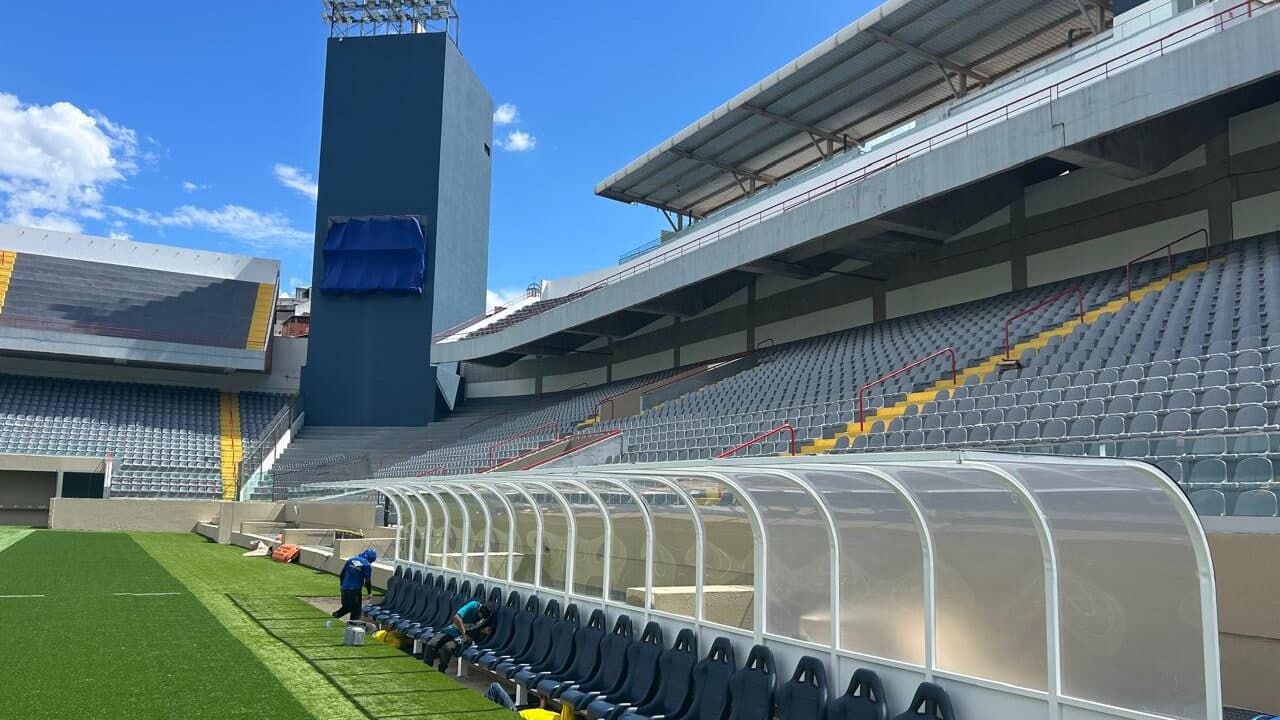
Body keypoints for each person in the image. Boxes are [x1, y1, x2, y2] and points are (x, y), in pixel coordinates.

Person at [422, 599, 494, 672]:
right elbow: (456, 617)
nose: (480, 616)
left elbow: (475, 628)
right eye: (480, 613)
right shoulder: (473, 605)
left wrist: (483, 631)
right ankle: (427, 668)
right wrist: (464, 633)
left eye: (482, 616)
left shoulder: (486, 617)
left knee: (447, 648)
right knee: (431, 644)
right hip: (453, 630)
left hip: (465, 636)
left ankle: (441, 670)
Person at [331, 548, 377, 622]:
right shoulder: (366, 565)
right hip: (355, 590)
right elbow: (367, 581)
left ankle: (335, 616)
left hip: (345, 588)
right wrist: (369, 592)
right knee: (356, 611)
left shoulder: (350, 560)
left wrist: (342, 586)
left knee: (347, 607)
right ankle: (353, 627)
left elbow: (342, 574)